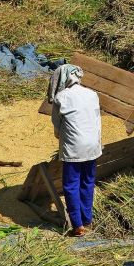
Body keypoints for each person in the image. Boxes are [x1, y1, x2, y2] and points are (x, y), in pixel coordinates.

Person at [48, 64, 102, 237]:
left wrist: (62, 136)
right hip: (93, 145)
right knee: (88, 181)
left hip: (74, 148)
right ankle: (87, 219)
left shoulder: (61, 97)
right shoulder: (92, 94)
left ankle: (78, 225)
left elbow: (57, 127)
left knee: (71, 185)